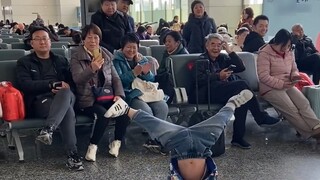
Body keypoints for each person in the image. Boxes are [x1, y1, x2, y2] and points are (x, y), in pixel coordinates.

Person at [104, 90, 254, 179]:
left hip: (179, 143)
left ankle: (127, 109)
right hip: (203, 144)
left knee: (156, 126)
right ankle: (232, 103)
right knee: (220, 120)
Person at [190, 33, 280, 149]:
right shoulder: (201, 60)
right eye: (213, 44)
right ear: (207, 46)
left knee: (241, 98)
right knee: (242, 85)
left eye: (219, 45)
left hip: (222, 90)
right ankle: (261, 117)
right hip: (206, 93)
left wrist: (230, 51)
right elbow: (198, 79)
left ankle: (238, 138)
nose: (216, 48)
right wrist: (218, 76)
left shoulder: (222, 58)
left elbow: (241, 67)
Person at [16, 26, 83, 170]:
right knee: (67, 111)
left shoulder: (61, 60)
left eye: (45, 38)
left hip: (65, 96)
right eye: (37, 39)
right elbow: (25, 85)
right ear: (31, 43)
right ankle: (73, 154)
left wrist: (62, 86)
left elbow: (72, 82)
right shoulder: (24, 62)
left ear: (50, 41)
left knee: (65, 93)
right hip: (41, 101)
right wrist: (49, 85)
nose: (42, 42)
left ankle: (48, 129)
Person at [70, 24, 129, 161]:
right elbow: (78, 80)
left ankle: (116, 142)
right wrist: (92, 69)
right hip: (87, 99)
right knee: (104, 115)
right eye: (89, 38)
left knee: (124, 112)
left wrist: (119, 95)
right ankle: (93, 146)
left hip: (106, 96)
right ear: (83, 40)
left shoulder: (106, 56)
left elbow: (115, 78)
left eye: (96, 37)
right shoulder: (76, 57)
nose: (93, 41)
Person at [257, 28, 320, 139]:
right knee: (291, 109)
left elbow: (294, 68)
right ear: (276, 42)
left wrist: (295, 75)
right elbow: (263, 76)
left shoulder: (289, 51)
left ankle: (316, 126)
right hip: (270, 88)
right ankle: (310, 133)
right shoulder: (265, 53)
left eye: (288, 46)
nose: (286, 49)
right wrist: (281, 84)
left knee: (303, 102)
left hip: (288, 84)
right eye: (283, 46)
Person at [113, 33, 169, 151]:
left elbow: (151, 79)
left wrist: (145, 72)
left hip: (146, 92)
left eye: (134, 47)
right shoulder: (116, 61)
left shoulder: (142, 59)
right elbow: (118, 81)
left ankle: (155, 139)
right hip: (129, 93)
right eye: (128, 47)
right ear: (122, 47)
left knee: (162, 107)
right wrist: (134, 73)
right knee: (146, 111)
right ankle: (155, 138)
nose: (131, 50)